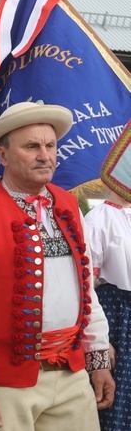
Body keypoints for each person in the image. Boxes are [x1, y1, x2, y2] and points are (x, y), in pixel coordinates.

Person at [0, 102, 114, 431]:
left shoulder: (67, 204)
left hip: (72, 375)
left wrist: (98, 358)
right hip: (5, 383)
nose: (44, 155)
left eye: (50, 146)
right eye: (31, 146)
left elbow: (86, 289)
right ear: (3, 156)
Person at [85, 184, 131, 430]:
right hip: (117, 317)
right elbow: (84, 285)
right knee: (117, 404)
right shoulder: (98, 219)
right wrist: (100, 341)